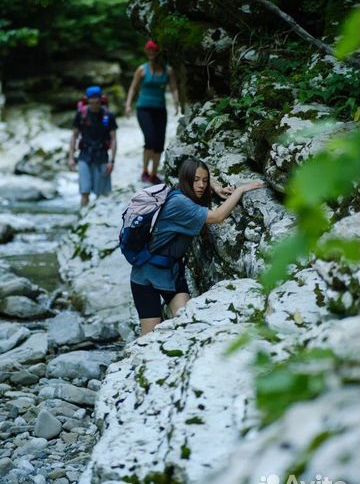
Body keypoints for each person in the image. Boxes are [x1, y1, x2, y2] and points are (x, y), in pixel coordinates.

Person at [130, 157, 264, 335]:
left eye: (204, 180)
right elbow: (217, 217)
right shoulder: (181, 204)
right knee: (149, 338)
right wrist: (238, 191)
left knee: (187, 326)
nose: (201, 185)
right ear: (186, 180)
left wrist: (215, 187)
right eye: (195, 180)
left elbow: (203, 180)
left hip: (171, 273)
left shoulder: (182, 194)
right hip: (146, 277)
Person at [125, 40, 179, 184]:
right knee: (150, 139)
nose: (151, 53)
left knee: (159, 142)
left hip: (160, 109)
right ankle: (145, 172)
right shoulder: (142, 70)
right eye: (148, 50)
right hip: (144, 109)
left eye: (153, 50)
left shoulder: (168, 71)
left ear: (158, 52)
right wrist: (128, 105)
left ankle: (154, 174)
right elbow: (133, 88)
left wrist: (176, 102)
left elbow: (173, 87)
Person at [68, 86, 118, 207]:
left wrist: (112, 161)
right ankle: (82, 218)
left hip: (102, 156)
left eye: (97, 102)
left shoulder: (108, 115)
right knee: (85, 191)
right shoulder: (81, 114)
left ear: (101, 100)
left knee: (102, 193)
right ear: (88, 101)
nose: (95, 105)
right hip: (85, 155)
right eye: (92, 102)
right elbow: (74, 136)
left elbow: (113, 139)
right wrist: (70, 157)